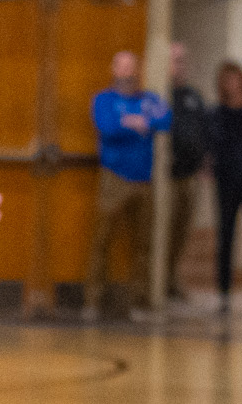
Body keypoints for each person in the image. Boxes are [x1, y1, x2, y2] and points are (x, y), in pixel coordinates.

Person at [86, 49, 169, 320]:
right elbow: (107, 127)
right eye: (120, 66)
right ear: (113, 70)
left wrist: (140, 121)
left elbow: (165, 120)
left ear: (138, 70)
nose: (126, 72)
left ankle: (138, 303)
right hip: (114, 177)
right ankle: (94, 302)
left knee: (143, 244)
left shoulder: (149, 99)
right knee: (102, 239)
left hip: (144, 180)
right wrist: (135, 125)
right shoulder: (104, 99)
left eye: (130, 66)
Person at [207, 61, 242, 311]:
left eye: (237, 79)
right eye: (228, 80)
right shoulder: (216, 114)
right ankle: (223, 290)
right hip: (225, 180)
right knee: (226, 234)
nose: (233, 84)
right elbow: (210, 146)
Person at [166, 42, 209, 302]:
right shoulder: (158, 95)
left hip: (189, 176)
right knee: (164, 232)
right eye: (174, 60)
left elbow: (203, 132)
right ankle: (159, 282)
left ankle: (173, 279)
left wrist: (204, 161)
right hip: (166, 177)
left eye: (182, 60)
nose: (178, 65)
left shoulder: (194, 97)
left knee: (182, 232)